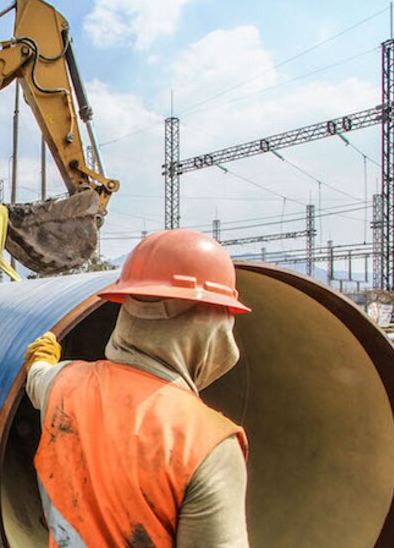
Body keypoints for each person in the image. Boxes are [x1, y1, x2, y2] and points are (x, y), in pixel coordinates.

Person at [24, 229, 252, 548]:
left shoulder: (63, 383)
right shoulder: (208, 445)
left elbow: (37, 377)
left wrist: (41, 358)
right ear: (211, 327)